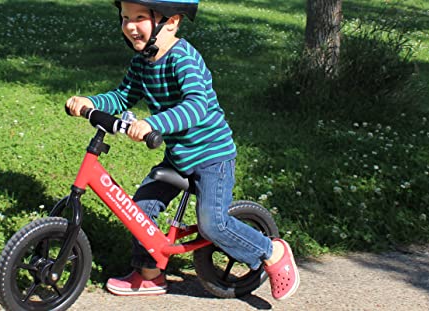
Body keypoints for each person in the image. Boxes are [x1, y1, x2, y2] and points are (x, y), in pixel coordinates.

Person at [65, 0, 299, 300]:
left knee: (213, 223)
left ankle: (272, 251)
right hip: (179, 157)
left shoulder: (183, 59)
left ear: (171, 22)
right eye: (125, 17)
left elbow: (197, 105)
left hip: (213, 156)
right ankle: (150, 274)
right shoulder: (141, 63)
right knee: (140, 211)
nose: (130, 25)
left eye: (139, 17)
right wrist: (92, 102)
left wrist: (154, 124)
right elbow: (123, 96)